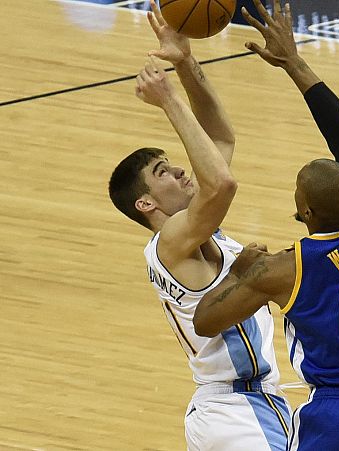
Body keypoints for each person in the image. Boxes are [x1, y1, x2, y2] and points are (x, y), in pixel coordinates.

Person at [193, 1, 339, 450]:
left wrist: (241, 270)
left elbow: (206, 321)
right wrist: (294, 64)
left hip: (338, 414)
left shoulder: (284, 269)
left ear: (307, 214)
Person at [107, 2, 290, 449]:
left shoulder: (197, 228)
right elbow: (222, 182)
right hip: (234, 411)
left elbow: (221, 138)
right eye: (164, 172)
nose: (181, 172)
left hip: (248, 404)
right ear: (146, 202)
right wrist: (168, 100)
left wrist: (187, 63)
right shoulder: (171, 241)